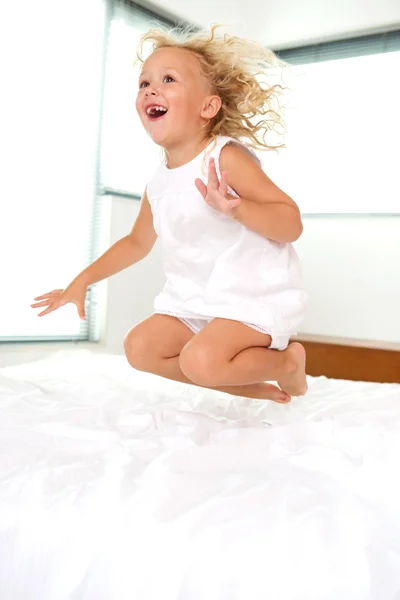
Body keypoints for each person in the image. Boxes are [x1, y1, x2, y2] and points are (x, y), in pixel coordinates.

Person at [31, 25, 308, 404]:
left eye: (168, 79)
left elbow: (291, 223)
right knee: (140, 347)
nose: (150, 89)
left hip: (249, 298)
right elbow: (136, 242)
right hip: (194, 300)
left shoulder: (223, 158)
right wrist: (82, 281)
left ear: (207, 107)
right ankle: (240, 380)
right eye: (144, 83)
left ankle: (287, 364)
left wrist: (238, 207)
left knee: (200, 360)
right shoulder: (159, 183)